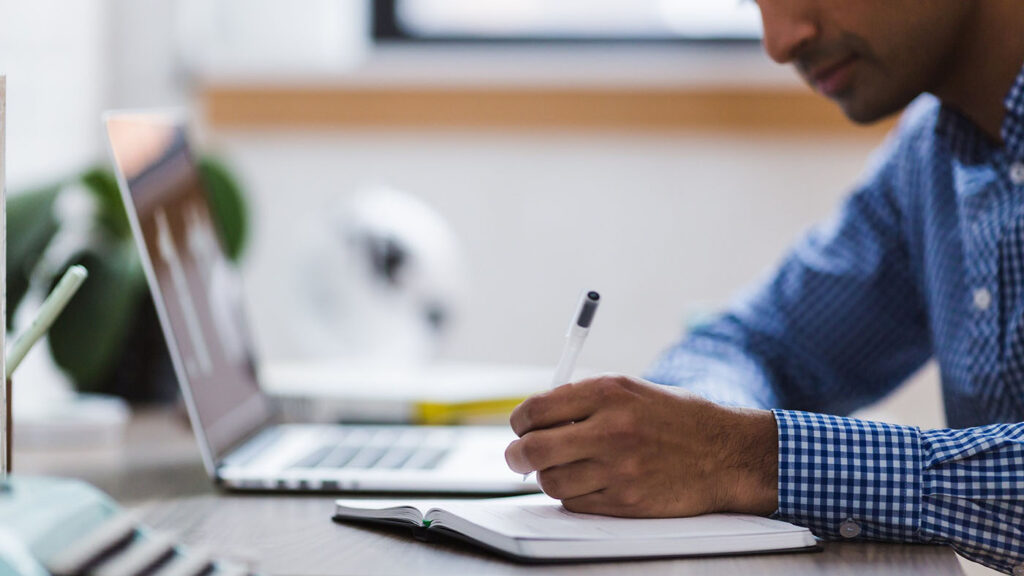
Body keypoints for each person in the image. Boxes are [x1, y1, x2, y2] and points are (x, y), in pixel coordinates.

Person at [503, 1, 1024, 573]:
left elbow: (739, 447)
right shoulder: (931, 154)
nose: (779, 43)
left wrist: (748, 458)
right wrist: (689, 436)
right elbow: (753, 344)